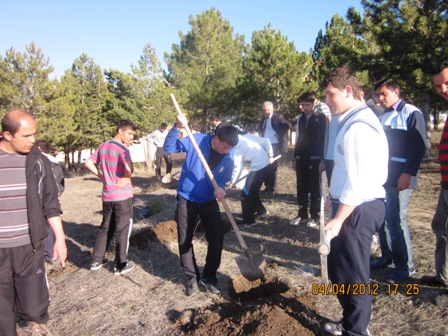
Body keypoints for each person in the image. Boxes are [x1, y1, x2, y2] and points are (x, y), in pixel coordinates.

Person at [322, 67, 388, 336]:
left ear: (347, 91)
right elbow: (347, 170)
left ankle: (357, 331)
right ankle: (351, 321)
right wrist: (332, 199)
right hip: (350, 205)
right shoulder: (353, 120)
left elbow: (358, 181)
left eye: (330, 95)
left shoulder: (359, 127)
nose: (327, 101)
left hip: (358, 208)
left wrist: (339, 219)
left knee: (352, 276)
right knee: (341, 272)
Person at [0, 109, 67, 335]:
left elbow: (50, 202)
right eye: (26, 136)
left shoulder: (37, 161)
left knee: (33, 306)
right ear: (7, 135)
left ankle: (34, 320)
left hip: (29, 247)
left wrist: (59, 238)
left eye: (34, 134)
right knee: (2, 312)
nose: (33, 140)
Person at [163, 113, 238, 297]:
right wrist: (177, 127)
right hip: (187, 198)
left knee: (217, 239)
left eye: (231, 148)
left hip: (209, 200)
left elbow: (225, 179)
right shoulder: (197, 140)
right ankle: (192, 279)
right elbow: (169, 147)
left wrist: (221, 188)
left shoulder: (229, 156)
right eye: (226, 146)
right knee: (185, 240)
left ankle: (209, 276)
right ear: (217, 140)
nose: (228, 150)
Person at [371, 78, 426, 284]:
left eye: (384, 94)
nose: (380, 98)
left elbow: (418, 146)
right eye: (378, 95)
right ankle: (387, 256)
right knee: (383, 219)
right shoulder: (382, 115)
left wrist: (408, 172)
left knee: (396, 220)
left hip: (401, 177)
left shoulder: (411, 113)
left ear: (396, 92)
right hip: (383, 176)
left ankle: (405, 266)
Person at [85, 120, 136, 275]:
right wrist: (128, 176)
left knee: (105, 227)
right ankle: (121, 265)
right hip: (122, 196)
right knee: (122, 229)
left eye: (132, 135)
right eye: (129, 134)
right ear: (120, 131)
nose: (131, 137)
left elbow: (88, 163)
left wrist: (100, 175)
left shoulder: (103, 146)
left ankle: (96, 260)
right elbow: (129, 168)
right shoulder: (122, 148)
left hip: (107, 195)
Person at [421, 61, 448, 289]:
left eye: (447, 83)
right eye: (439, 86)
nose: (443, 90)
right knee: (440, 228)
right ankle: (442, 277)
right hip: (445, 183)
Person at [290, 92, 327, 227]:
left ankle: (315, 216)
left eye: (307, 105)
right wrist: (295, 157)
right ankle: (302, 214)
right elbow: (298, 138)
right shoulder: (301, 119)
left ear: (314, 103)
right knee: (301, 186)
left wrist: (323, 159)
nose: (304, 108)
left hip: (315, 157)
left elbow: (324, 138)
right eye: (302, 105)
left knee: (315, 187)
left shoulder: (320, 118)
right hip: (301, 157)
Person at [229, 133, 274, 225]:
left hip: (258, 169)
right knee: (251, 191)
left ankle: (249, 221)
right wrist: (270, 155)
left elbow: (238, 167)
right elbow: (266, 141)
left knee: (245, 195)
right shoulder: (247, 137)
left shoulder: (236, 149)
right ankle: (261, 210)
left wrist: (233, 182)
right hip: (265, 166)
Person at [36, 139, 65, 265]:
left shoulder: (45, 162)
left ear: (38, 148)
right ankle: (48, 254)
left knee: (47, 227)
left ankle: (48, 253)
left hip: (43, 202)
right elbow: (60, 185)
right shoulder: (54, 161)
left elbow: (54, 184)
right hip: (48, 201)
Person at [259, 101, 292, 193]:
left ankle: (273, 188)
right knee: (265, 165)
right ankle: (267, 186)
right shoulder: (264, 119)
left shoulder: (278, 117)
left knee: (272, 166)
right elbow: (261, 129)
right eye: (264, 111)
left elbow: (287, 125)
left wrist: (279, 134)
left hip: (274, 144)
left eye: (268, 110)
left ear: (272, 109)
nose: (266, 112)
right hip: (265, 144)